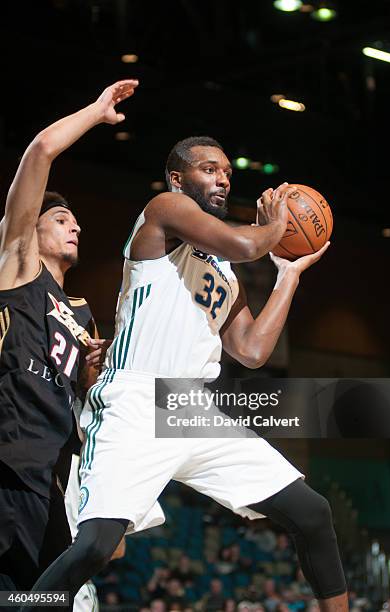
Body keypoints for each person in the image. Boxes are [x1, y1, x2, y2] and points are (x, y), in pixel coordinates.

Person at [23, 135, 348, 611]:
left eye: (226, 173)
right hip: (135, 398)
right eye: (210, 169)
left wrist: (287, 275)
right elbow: (243, 241)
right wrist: (277, 226)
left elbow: (252, 349)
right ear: (179, 178)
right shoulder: (164, 209)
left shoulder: (225, 270)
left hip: (188, 407)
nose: (222, 179)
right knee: (95, 546)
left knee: (313, 512)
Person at [0, 79, 139, 600]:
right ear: (29, 229)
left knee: (47, 600)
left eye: (76, 221)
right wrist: (96, 112)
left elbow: (83, 400)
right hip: (8, 462)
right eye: (61, 219)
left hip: (52, 477)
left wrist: (89, 377)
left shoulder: (83, 315)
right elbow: (40, 151)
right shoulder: (16, 270)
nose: (74, 226)